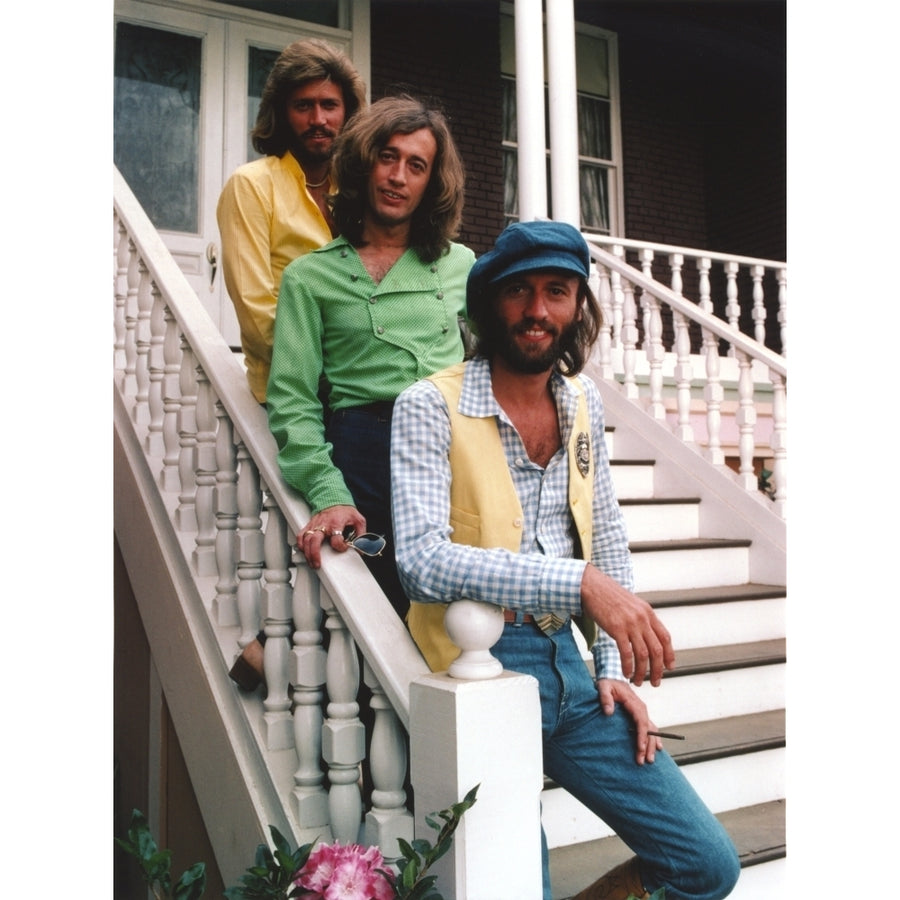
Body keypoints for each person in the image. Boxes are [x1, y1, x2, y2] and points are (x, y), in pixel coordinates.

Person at [390, 220, 741, 900]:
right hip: (482, 673)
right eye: (518, 291)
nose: (536, 311)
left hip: (572, 675)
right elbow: (423, 562)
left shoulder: (581, 401)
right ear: (490, 302)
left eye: (557, 290)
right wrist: (578, 581)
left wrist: (611, 666)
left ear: (579, 303)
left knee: (706, 865)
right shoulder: (427, 405)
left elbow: (604, 531)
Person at [216, 38, 366, 404]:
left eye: (329, 105)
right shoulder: (251, 185)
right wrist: (327, 375)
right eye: (303, 106)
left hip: (361, 387)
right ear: (282, 112)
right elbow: (256, 313)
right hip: (292, 392)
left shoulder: (361, 190)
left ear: (348, 113)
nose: (318, 120)